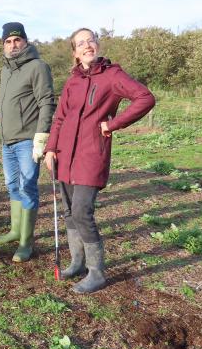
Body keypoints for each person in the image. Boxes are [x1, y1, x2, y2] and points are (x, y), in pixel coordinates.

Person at [43, 28, 155, 293]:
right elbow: (60, 118)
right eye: (80, 43)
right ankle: (77, 263)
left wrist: (113, 124)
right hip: (65, 155)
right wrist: (51, 149)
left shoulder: (112, 75)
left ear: (97, 44)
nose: (87, 46)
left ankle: (97, 273)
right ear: (74, 52)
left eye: (90, 40)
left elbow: (145, 98)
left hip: (92, 154)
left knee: (82, 211)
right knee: (70, 211)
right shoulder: (73, 80)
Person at [0, 22, 56, 262]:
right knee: (13, 185)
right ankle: (15, 230)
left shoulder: (37, 67)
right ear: (3, 45)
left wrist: (41, 137)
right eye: (8, 41)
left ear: (25, 41)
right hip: (7, 140)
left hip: (27, 140)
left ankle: (26, 242)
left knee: (28, 188)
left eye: (17, 40)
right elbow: (12, 99)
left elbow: (47, 101)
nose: (13, 45)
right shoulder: (6, 69)